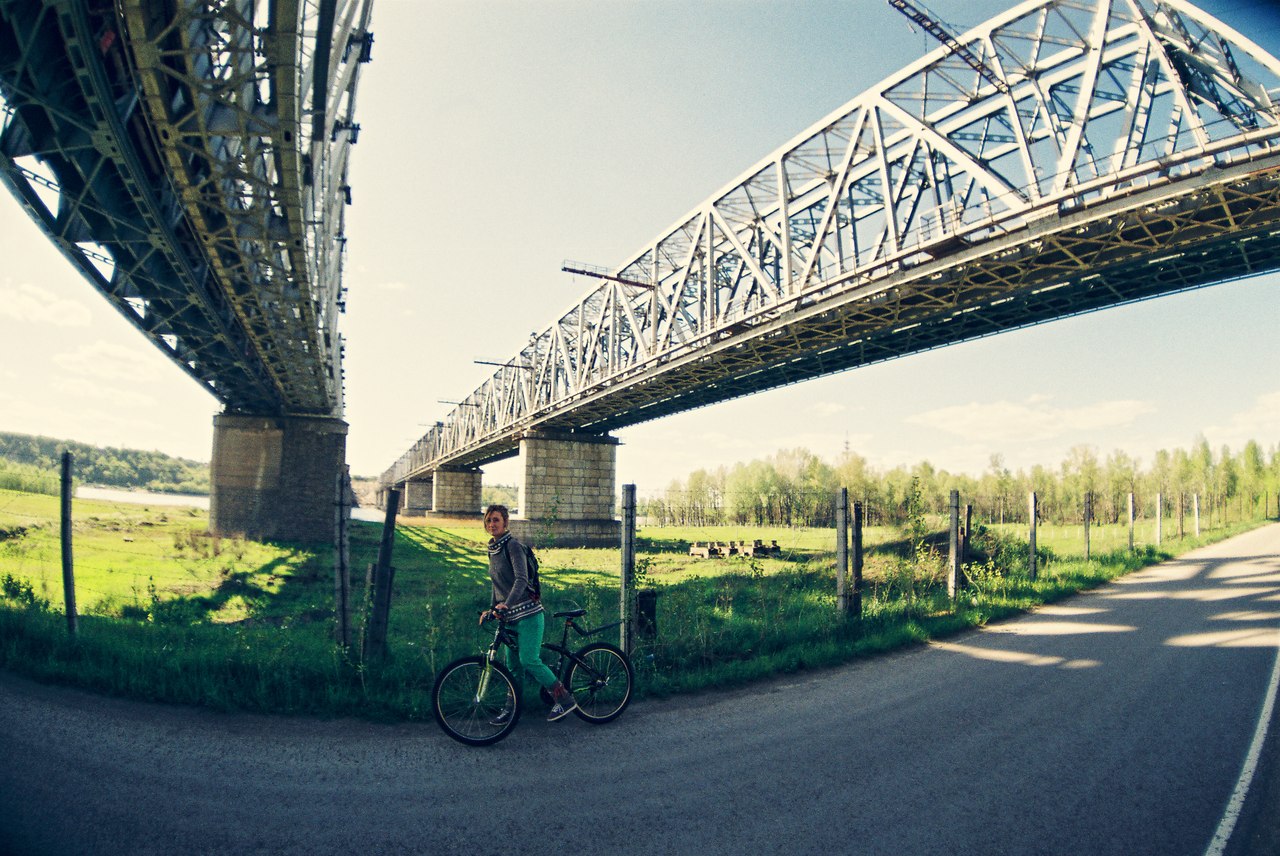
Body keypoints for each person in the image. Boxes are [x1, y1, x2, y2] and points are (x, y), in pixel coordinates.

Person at [480, 504, 578, 722]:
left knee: (528, 660)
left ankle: (564, 699)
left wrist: (507, 604)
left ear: (506, 522)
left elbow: (521, 579)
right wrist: (492, 608)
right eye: (488, 520)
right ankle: (511, 709)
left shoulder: (513, 546)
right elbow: (496, 585)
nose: (491, 524)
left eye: (496, 520)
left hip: (529, 614)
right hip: (509, 618)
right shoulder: (493, 549)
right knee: (513, 666)